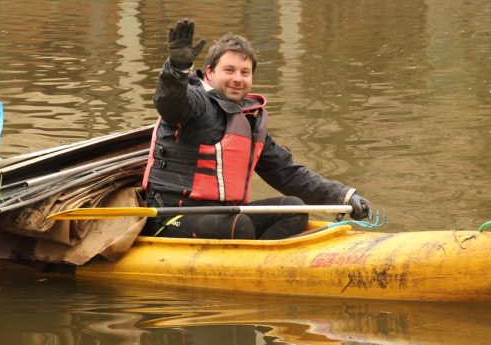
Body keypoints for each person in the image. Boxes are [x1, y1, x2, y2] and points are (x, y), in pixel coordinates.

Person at [141, 19, 372, 239]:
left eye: (245, 72)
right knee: (239, 226)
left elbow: (288, 172)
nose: (237, 79)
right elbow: (169, 102)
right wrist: (176, 70)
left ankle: (264, 266)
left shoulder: (250, 120)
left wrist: (344, 196)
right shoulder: (193, 103)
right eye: (229, 70)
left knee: (294, 210)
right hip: (172, 217)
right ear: (209, 73)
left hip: (224, 217)